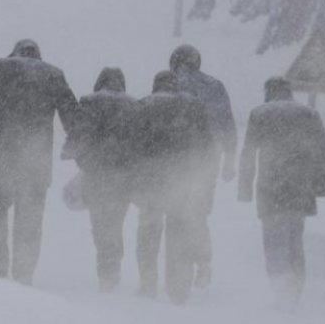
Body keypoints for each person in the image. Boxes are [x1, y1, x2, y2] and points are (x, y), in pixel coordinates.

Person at [0, 39, 78, 284]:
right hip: (36, 161)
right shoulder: (53, 74)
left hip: (2, 156)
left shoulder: (1, 67)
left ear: (15, 52)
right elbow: (70, 112)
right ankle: (23, 271)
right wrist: (76, 140)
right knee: (30, 218)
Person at [238, 77, 325, 307]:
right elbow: (324, 153)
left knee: (273, 245)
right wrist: (319, 186)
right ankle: (295, 292)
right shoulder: (309, 114)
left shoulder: (260, 114)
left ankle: (282, 293)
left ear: (268, 92)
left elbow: (248, 155)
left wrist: (245, 190)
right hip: (300, 190)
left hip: (271, 190)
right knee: (294, 244)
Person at [131, 70, 213, 305]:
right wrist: (203, 181)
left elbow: (131, 146)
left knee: (148, 232)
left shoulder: (143, 106)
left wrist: (133, 180)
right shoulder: (194, 107)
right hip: (182, 181)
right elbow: (207, 147)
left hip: (150, 181)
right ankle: (178, 289)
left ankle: (147, 284)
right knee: (179, 232)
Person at [61, 67, 137, 292]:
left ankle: (106, 269)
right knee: (116, 223)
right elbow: (141, 140)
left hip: (96, 175)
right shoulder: (134, 105)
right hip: (123, 177)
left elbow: (78, 134)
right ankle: (113, 266)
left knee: (101, 224)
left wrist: (77, 157)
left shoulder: (89, 102)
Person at [169, 44, 237, 288]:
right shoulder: (215, 86)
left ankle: (177, 266)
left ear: (174, 62)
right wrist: (229, 159)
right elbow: (228, 124)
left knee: (175, 213)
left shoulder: (171, 84)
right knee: (198, 214)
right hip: (208, 160)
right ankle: (203, 262)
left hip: (175, 161)